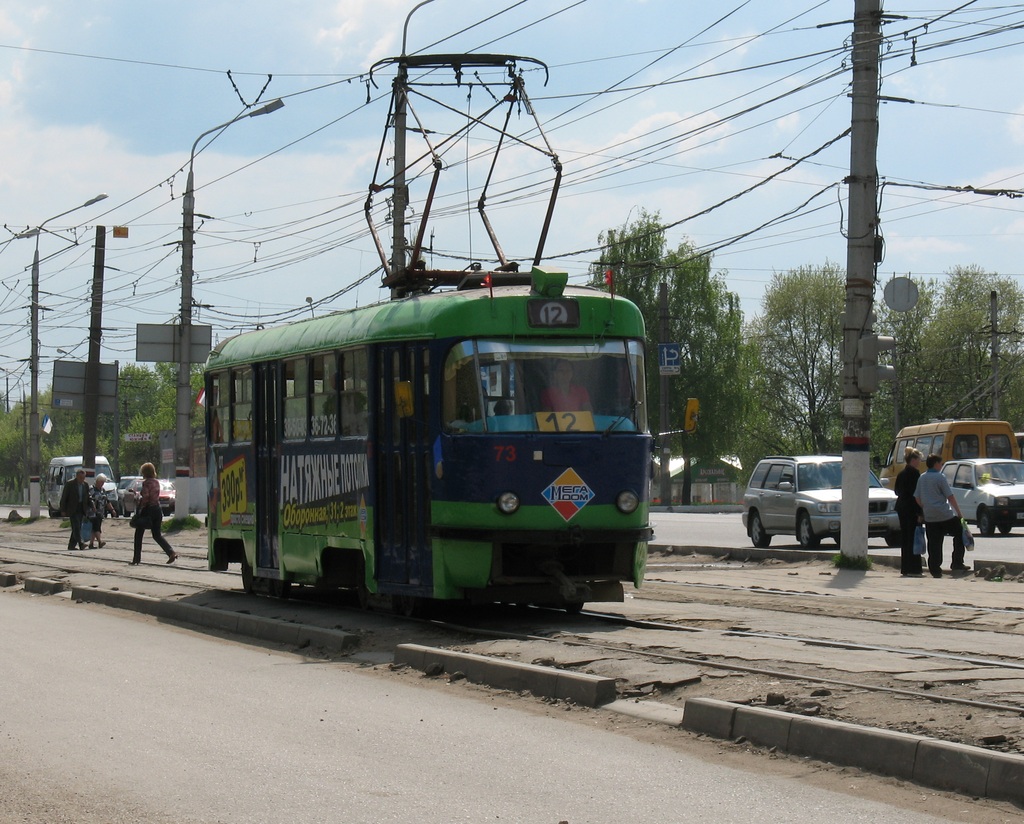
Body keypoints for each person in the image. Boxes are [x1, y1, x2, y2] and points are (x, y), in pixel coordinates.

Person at [914, 453, 967, 578]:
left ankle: (935, 569)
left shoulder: (922, 478)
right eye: (941, 463)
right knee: (960, 532)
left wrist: (926, 507)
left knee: (934, 542)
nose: (942, 465)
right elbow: (950, 496)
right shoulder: (940, 477)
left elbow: (917, 497)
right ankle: (957, 562)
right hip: (944, 515)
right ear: (936, 464)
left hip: (930, 516)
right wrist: (959, 513)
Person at [131, 462, 177, 566]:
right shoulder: (156, 482)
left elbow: (146, 497)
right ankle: (170, 552)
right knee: (157, 535)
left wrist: (139, 503)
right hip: (157, 509)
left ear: (145, 472)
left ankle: (136, 559)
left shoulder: (146, 483)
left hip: (148, 510)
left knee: (138, 534)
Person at [893, 447, 924, 577]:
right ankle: (914, 568)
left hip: (901, 508)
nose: (919, 462)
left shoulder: (901, 473)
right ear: (913, 460)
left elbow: (896, 491)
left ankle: (905, 568)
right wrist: (920, 513)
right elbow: (916, 495)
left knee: (905, 538)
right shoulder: (915, 474)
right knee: (914, 537)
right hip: (912, 509)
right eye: (918, 459)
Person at [59, 468, 90, 551]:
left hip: (81, 508)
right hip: (72, 508)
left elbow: (88, 497)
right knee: (76, 526)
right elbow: (64, 497)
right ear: (76, 476)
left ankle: (71, 545)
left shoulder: (85, 485)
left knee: (77, 527)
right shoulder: (70, 484)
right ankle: (81, 543)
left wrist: (91, 506)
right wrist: (63, 510)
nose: (82, 480)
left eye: (83, 478)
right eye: (80, 478)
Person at [87, 473, 117, 549]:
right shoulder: (91, 489)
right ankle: (100, 542)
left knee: (95, 528)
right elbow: (88, 499)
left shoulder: (103, 490)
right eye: (101, 482)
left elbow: (107, 501)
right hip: (93, 512)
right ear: (97, 481)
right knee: (96, 527)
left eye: (103, 482)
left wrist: (112, 510)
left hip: (100, 512)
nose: (102, 484)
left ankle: (91, 543)